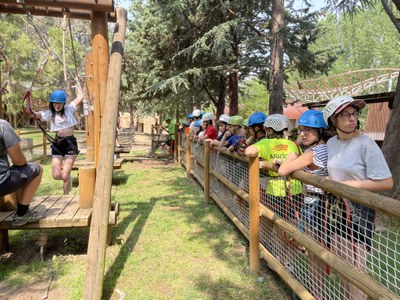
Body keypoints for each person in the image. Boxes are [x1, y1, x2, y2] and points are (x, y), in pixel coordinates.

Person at [323, 95, 393, 300]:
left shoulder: (366, 144)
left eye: (354, 114)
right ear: (333, 120)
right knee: (342, 265)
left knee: (357, 269)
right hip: (336, 210)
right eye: (345, 114)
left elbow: (386, 182)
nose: (352, 118)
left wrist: (349, 186)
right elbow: (336, 173)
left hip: (359, 212)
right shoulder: (331, 144)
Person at [277, 110, 330, 300]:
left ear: (321, 132)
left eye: (309, 130)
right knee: (311, 249)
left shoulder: (317, 151)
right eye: (301, 130)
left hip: (316, 203)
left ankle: (313, 292)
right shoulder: (314, 150)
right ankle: (311, 290)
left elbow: (284, 169)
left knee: (313, 249)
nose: (303, 134)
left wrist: (291, 154)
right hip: (313, 202)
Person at [31, 87, 84, 195]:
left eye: (59, 103)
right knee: (56, 175)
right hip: (58, 144)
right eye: (54, 103)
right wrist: (29, 111)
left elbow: (80, 97)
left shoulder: (69, 109)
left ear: (64, 103)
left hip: (70, 143)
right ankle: (69, 177)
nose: (57, 105)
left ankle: (66, 197)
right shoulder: (50, 113)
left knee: (65, 175)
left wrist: (78, 83)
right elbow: (36, 114)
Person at [0, 119, 44, 226]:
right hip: (2, 182)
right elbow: (19, 161)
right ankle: (22, 213)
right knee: (37, 169)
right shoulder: (2, 125)